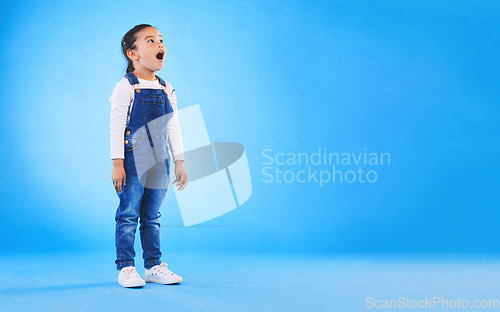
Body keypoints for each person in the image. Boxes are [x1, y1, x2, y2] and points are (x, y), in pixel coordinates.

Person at [109, 24, 188, 288]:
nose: (160, 45)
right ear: (133, 53)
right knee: (129, 213)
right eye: (151, 41)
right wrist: (117, 163)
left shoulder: (167, 88)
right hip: (133, 159)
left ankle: (153, 265)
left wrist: (179, 160)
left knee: (152, 215)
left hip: (160, 160)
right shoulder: (126, 86)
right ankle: (126, 268)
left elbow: (173, 125)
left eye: (161, 40)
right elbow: (117, 125)